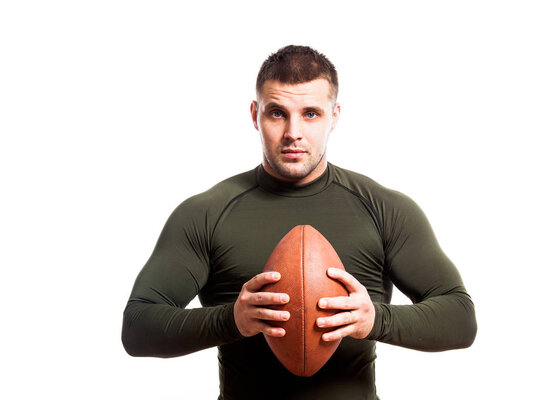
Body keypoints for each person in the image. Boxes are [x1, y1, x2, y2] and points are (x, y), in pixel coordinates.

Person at [122, 45, 477, 400]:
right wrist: (232, 320)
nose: (294, 132)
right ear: (254, 114)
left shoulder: (384, 208)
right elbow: (138, 326)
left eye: (311, 114)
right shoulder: (206, 213)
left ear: (334, 116)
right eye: (277, 113)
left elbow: (460, 319)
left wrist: (375, 320)